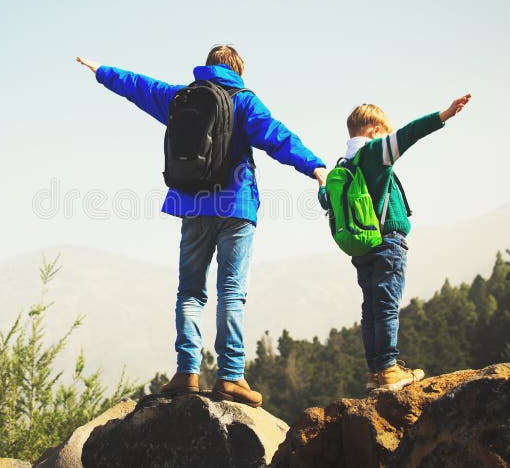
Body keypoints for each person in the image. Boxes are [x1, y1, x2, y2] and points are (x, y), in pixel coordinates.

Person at [75, 45, 327, 406]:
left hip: (192, 205)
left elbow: (138, 86)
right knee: (231, 291)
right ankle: (230, 377)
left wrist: (101, 69)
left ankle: (187, 372)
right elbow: (277, 136)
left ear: (207, 68)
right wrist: (314, 166)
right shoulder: (243, 100)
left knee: (190, 292)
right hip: (236, 207)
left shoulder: (181, 98)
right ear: (238, 70)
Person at [320, 95, 471, 391]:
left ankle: (376, 371)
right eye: (385, 133)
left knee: (371, 309)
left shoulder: (343, 167)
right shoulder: (375, 152)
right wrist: (444, 115)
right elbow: (409, 134)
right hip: (387, 241)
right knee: (387, 305)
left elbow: (326, 199)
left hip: (361, 248)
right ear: (375, 130)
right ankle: (389, 368)